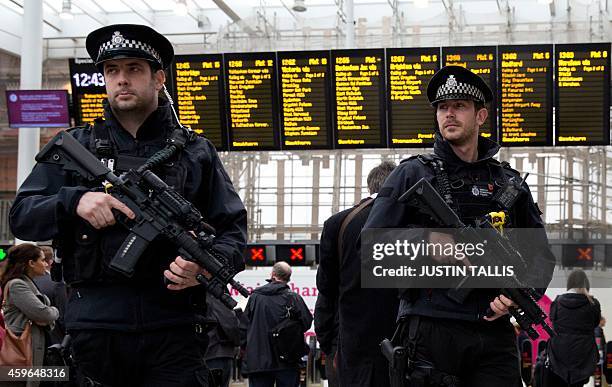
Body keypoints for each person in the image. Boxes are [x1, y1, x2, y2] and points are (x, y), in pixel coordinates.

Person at [9, 24, 247, 386]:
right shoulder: (76, 145)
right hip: (94, 331)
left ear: (159, 78)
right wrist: (75, 201)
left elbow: (232, 230)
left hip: (175, 330)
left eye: (134, 69)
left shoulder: (195, 152)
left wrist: (202, 267)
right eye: (112, 71)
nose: (122, 80)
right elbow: (21, 217)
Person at [362, 65, 555, 386]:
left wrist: (517, 296)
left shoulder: (509, 184)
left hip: (493, 333)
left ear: (481, 116)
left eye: (459, 107)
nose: (449, 114)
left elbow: (541, 255)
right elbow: (370, 249)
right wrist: (428, 242)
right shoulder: (412, 174)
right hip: (430, 329)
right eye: (442, 107)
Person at [315, 161, 398, 387]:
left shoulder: (338, 223)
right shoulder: (411, 220)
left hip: (353, 345)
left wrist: (329, 343)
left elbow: (326, 288)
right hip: (403, 343)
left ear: (370, 186)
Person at [241, 262, 313, 387]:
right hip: (287, 360)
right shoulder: (293, 298)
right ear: (289, 277)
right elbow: (306, 323)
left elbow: (244, 325)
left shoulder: (256, 297)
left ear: (273, 274)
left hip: (259, 361)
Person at [0, 243, 59, 387]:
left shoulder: (27, 283)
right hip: (22, 348)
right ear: (31, 263)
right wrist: (54, 311)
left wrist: (46, 315)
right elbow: (43, 314)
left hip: (34, 347)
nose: (46, 264)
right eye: (42, 260)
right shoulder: (17, 285)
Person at [547, 269, 601, 387]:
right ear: (586, 283)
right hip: (583, 354)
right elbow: (596, 323)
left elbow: (552, 320)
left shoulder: (557, 302)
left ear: (569, 283)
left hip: (559, 353)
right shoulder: (593, 304)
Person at [203, 293, 241, 387]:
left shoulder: (199, 297)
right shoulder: (214, 297)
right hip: (217, 351)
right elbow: (230, 324)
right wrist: (237, 343)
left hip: (206, 351)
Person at [32, 246, 67, 345]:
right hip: (54, 338)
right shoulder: (56, 283)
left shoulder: (26, 282)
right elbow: (63, 315)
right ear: (51, 261)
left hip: (33, 338)